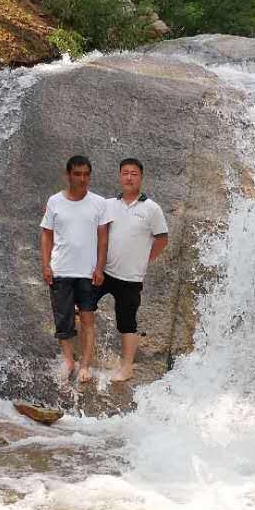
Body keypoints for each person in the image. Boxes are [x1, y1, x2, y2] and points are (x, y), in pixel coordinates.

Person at [96, 157, 169, 383]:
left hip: (130, 277)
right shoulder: (108, 204)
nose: (129, 177)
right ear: (119, 176)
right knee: (82, 303)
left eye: (134, 173)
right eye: (125, 173)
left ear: (140, 177)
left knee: (127, 322)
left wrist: (146, 258)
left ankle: (126, 367)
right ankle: (82, 357)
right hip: (105, 272)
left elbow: (162, 238)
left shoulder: (151, 208)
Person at [40, 155, 108, 384]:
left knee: (88, 318)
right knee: (63, 319)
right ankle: (68, 360)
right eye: (77, 174)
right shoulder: (55, 202)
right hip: (60, 270)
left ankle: (84, 366)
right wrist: (45, 264)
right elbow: (46, 234)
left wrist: (100, 267)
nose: (82, 179)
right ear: (68, 175)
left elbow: (103, 237)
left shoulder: (99, 203)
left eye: (86, 174)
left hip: (88, 272)